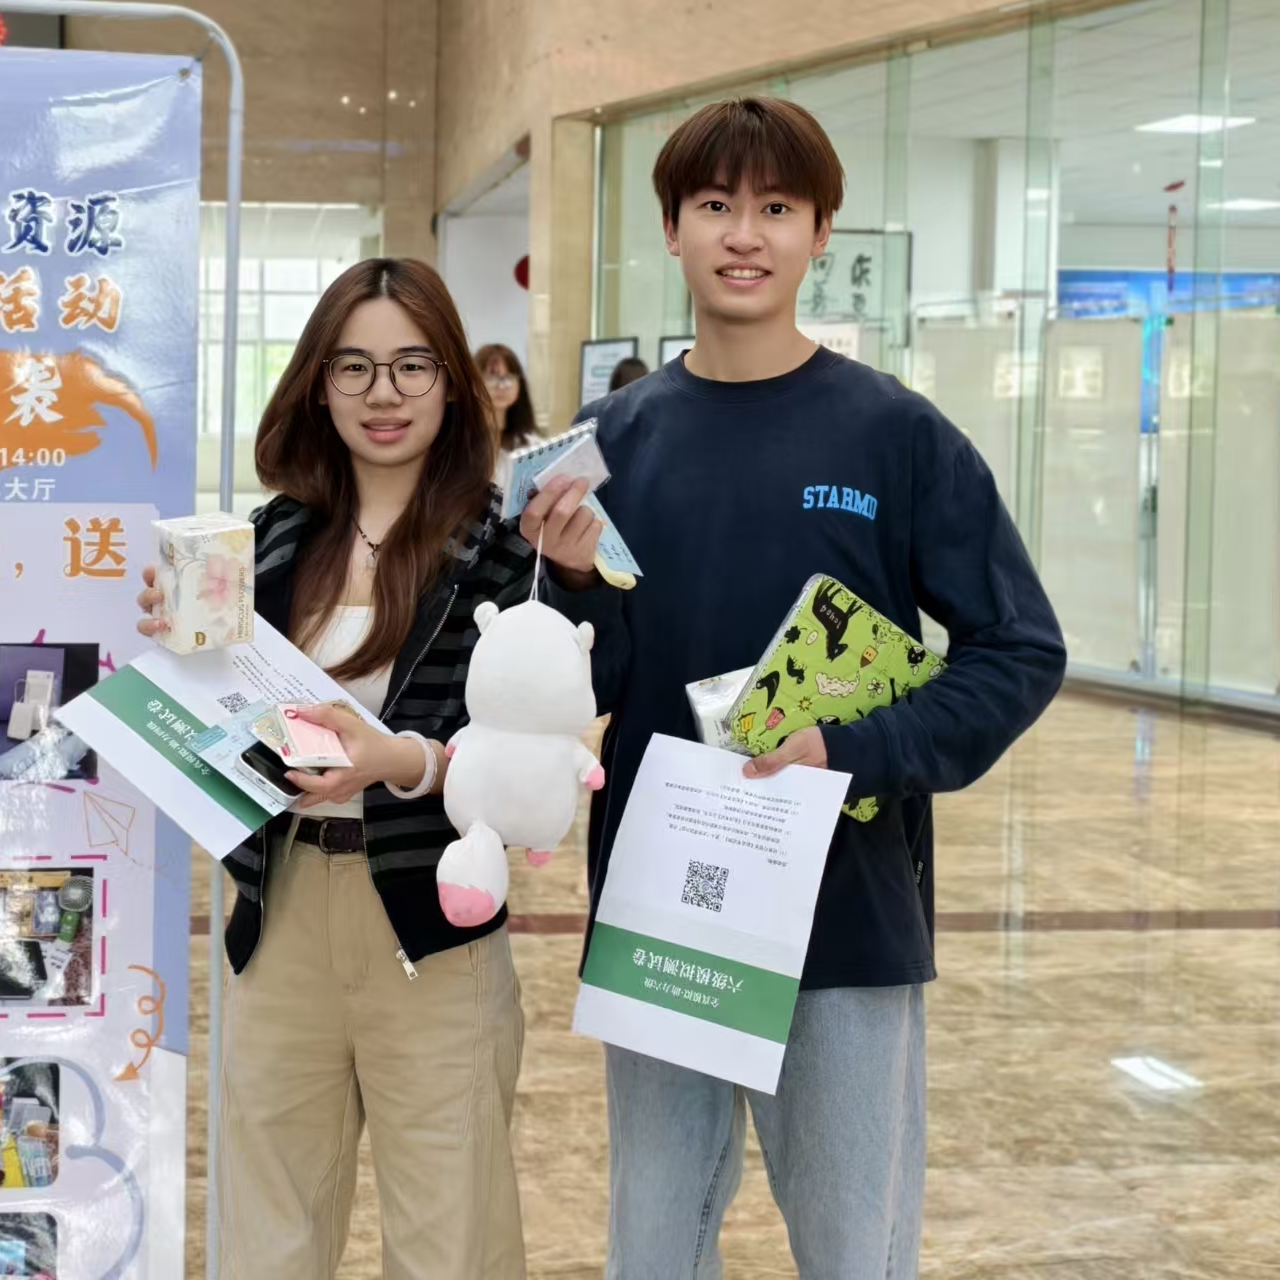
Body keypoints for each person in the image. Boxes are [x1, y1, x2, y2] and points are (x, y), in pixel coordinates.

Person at [540, 97, 1067, 1279]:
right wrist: (570, 584)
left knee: (851, 1247)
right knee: (653, 1240)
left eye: (777, 207)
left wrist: (856, 746)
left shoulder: (896, 435)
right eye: (715, 204)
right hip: (666, 908)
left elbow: (1019, 648)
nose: (745, 234)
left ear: (823, 232)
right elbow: (590, 680)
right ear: (671, 228)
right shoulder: (612, 440)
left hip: (846, 906)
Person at [135, 259, 602, 1279]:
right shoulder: (265, 541)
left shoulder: (502, 547)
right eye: (353, 367)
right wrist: (180, 650)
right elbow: (226, 720)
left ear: (451, 382)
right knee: (266, 1236)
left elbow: (531, 750)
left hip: (428, 921)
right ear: (317, 383)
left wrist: (399, 760)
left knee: (450, 1238)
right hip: (278, 911)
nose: (382, 394)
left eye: (410, 365)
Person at [475, 342, 539, 450]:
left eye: (508, 378)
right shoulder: (459, 440)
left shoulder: (531, 444)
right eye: (492, 378)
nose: (501, 386)